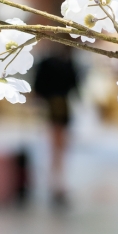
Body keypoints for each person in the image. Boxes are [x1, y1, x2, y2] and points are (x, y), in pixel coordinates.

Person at [32, 45, 79, 206]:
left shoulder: (61, 62)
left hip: (57, 109)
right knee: (55, 149)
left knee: (57, 149)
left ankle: (56, 183)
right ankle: (55, 184)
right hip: (54, 109)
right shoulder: (58, 62)